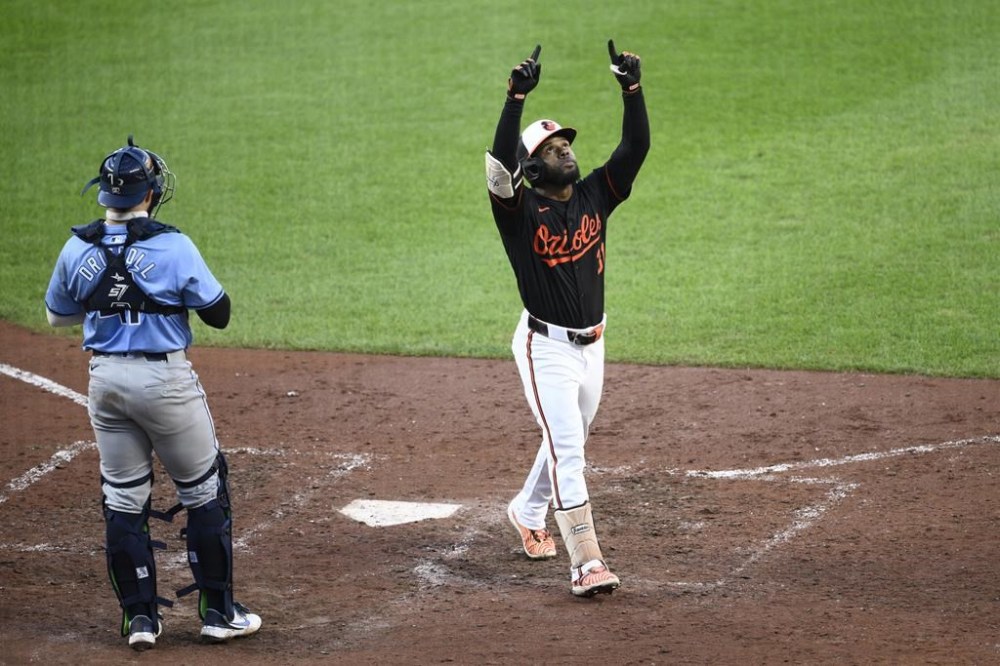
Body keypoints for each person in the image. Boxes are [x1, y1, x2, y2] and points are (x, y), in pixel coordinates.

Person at [44, 136, 262, 650]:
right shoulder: (173, 245)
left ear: (105, 195)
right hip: (165, 383)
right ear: (151, 192)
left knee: (123, 498)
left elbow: (58, 314)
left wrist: (108, 303)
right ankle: (218, 612)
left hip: (105, 383)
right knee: (205, 490)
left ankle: (140, 620)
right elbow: (219, 313)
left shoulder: (77, 246)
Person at [485, 41, 650, 596]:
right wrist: (515, 99)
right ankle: (586, 563)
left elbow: (636, 147)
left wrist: (632, 89)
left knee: (568, 436)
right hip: (545, 348)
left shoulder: (593, 196)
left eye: (565, 144)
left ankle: (528, 512)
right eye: (552, 148)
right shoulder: (519, 211)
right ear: (530, 167)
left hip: (594, 344)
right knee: (569, 450)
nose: (564, 151)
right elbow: (496, 168)